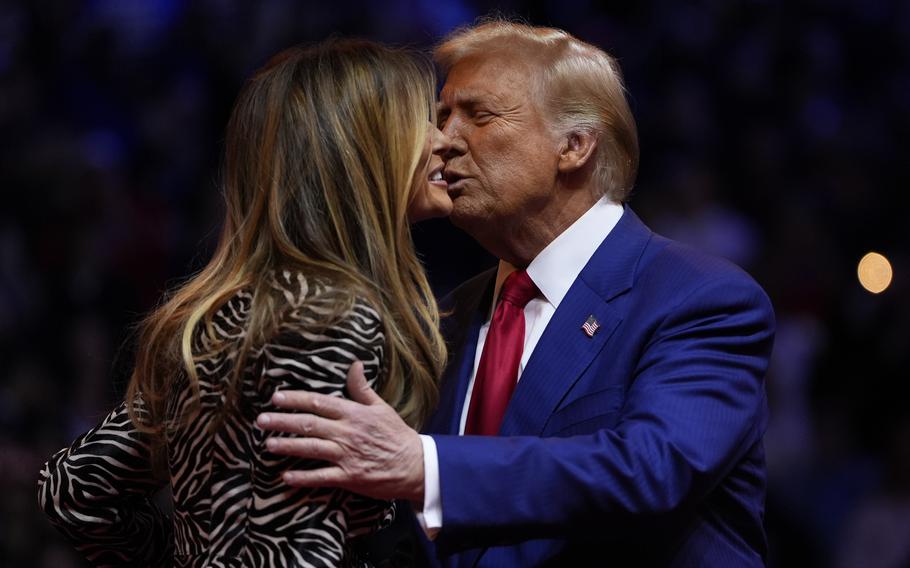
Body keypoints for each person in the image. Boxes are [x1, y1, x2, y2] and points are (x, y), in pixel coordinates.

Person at [257, 21, 776, 567]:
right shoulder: (444, 318)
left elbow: (652, 467)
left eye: (478, 116)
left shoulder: (700, 298)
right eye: (439, 118)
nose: (443, 141)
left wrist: (426, 467)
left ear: (574, 146)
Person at [37, 39, 455, 567]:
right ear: (356, 149)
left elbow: (72, 489)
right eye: (421, 121)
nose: (445, 142)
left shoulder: (229, 312)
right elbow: (293, 550)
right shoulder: (325, 318)